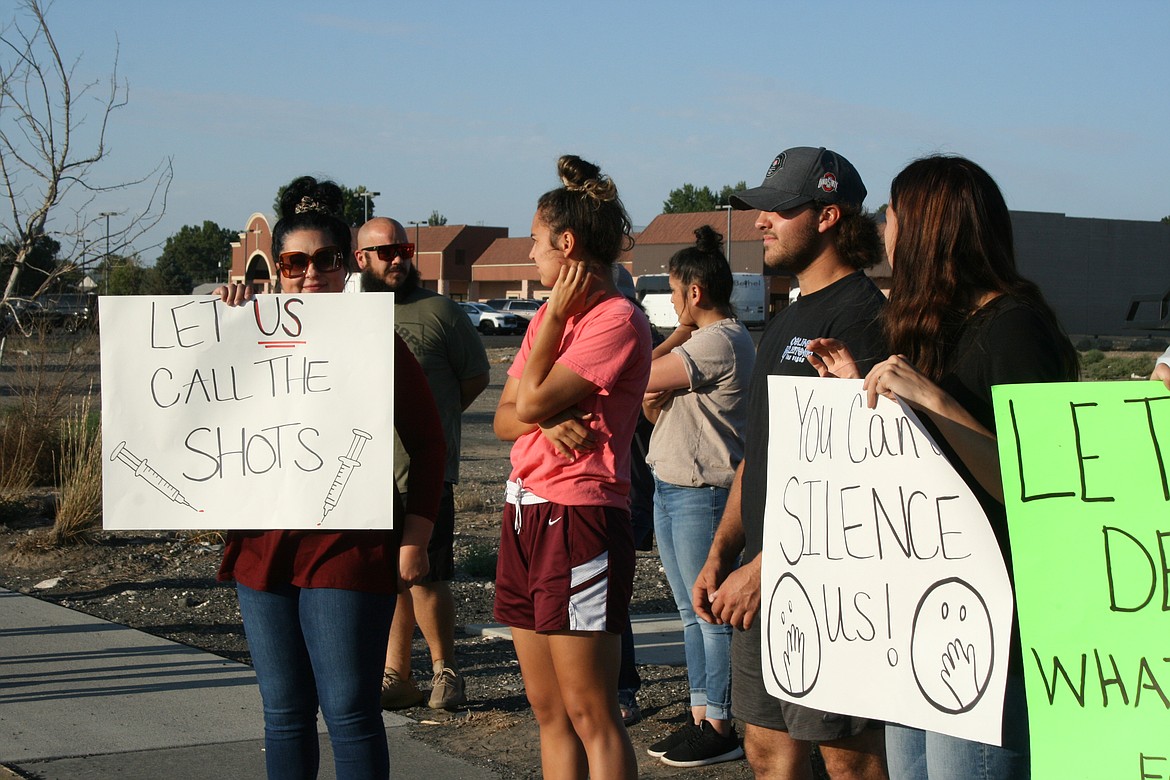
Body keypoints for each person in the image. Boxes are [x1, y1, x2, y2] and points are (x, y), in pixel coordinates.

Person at [808, 154, 1080, 779]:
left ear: (930, 229)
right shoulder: (941, 324)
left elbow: (1035, 481)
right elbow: (929, 457)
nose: (883, 229)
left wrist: (931, 396)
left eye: (893, 216)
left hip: (990, 629)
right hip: (922, 614)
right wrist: (867, 394)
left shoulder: (1015, 329)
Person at [216, 176, 445, 779]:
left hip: (347, 545)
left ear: (346, 266)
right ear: (277, 268)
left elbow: (428, 443)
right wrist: (217, 324)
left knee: (349, 710)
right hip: (261, 547)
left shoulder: (376, 341)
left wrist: (416, 537)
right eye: (295, 261)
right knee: (284, 713)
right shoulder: (237, 331)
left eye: (325, 259)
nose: (310, 273)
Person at [692, 147, 889, 780]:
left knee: (849, 760)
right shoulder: (783, 321)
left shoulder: (867, 320)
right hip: (761, 572)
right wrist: (724, 551)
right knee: (768, 753)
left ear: (829, 214)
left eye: (777, 209)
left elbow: (861, 479)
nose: (759, 222)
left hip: (833, 583)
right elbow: (761, 455)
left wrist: (771, 564)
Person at [492, 154, 651, 779]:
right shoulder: (547, 319)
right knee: (548, 709)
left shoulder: (614, 319)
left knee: (591, 712)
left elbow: (524, 399)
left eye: (534, 240)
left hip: (580, 515)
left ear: (566, 243)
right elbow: (507, 417)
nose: (530, 253)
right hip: (524, 507)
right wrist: (539, 413)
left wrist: (554, 320)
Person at [355, 216, 491, 711]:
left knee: (426, 576)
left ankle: (445, 671)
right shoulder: (348, 314)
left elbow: (474, 379)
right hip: (362, 475)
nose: (397, 258)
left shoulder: (441, 311)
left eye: (403, 248)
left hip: (423, 472)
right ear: (361, 259)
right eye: (385, 251)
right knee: (388, 578)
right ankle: (397, 674)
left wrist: (435, 422)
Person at [640, 225, 754, 768]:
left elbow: (635, 374)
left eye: (672, 289)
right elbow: (649, 394)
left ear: (694, 293)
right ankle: (700, 714)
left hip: (704, 493)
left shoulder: (720, 340)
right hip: (673, 486)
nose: (669, 300)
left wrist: (677, 333)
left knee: (709, 613)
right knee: (690, 612)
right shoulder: (699, 339)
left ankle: (722, 723)